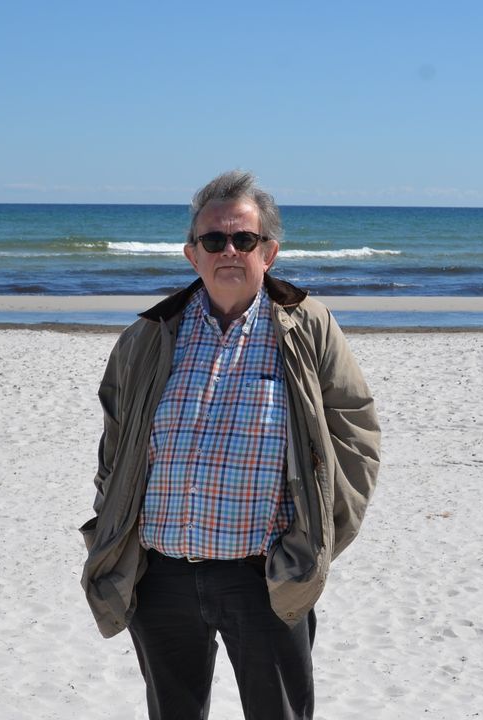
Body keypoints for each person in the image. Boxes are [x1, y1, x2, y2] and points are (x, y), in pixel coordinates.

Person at [80, 170, 381, 720]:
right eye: (214, 239)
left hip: (265, 577)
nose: (229, 250)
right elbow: (115, 443)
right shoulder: (149, 334)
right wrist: (113, 521)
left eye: (244, 238)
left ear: (269, 251)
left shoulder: (306, 327)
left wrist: (314, 544)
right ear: (192, 254)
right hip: (160, 575)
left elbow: (355, 435)